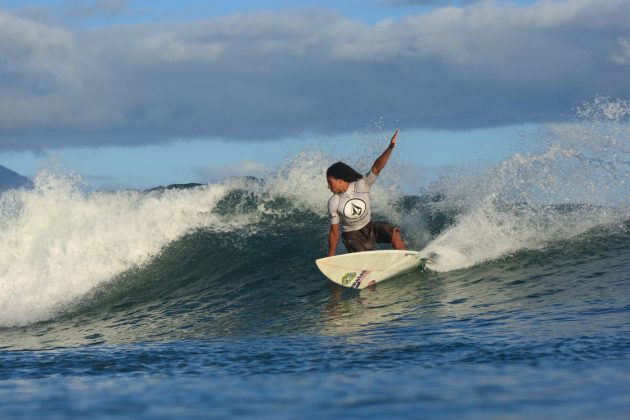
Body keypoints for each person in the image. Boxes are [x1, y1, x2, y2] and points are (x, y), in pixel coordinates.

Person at [326, 129, 406, 257]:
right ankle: (367, 276)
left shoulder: (362, 184)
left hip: (370, 229)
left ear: (340, 180)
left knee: (392, 231)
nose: (328, 186)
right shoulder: (333, 202)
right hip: (352, 236)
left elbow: (376, 167)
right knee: (360, 253)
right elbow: (334, 232)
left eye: (330, 182)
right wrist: (330, 256)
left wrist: (390, 147)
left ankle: (405, 258)